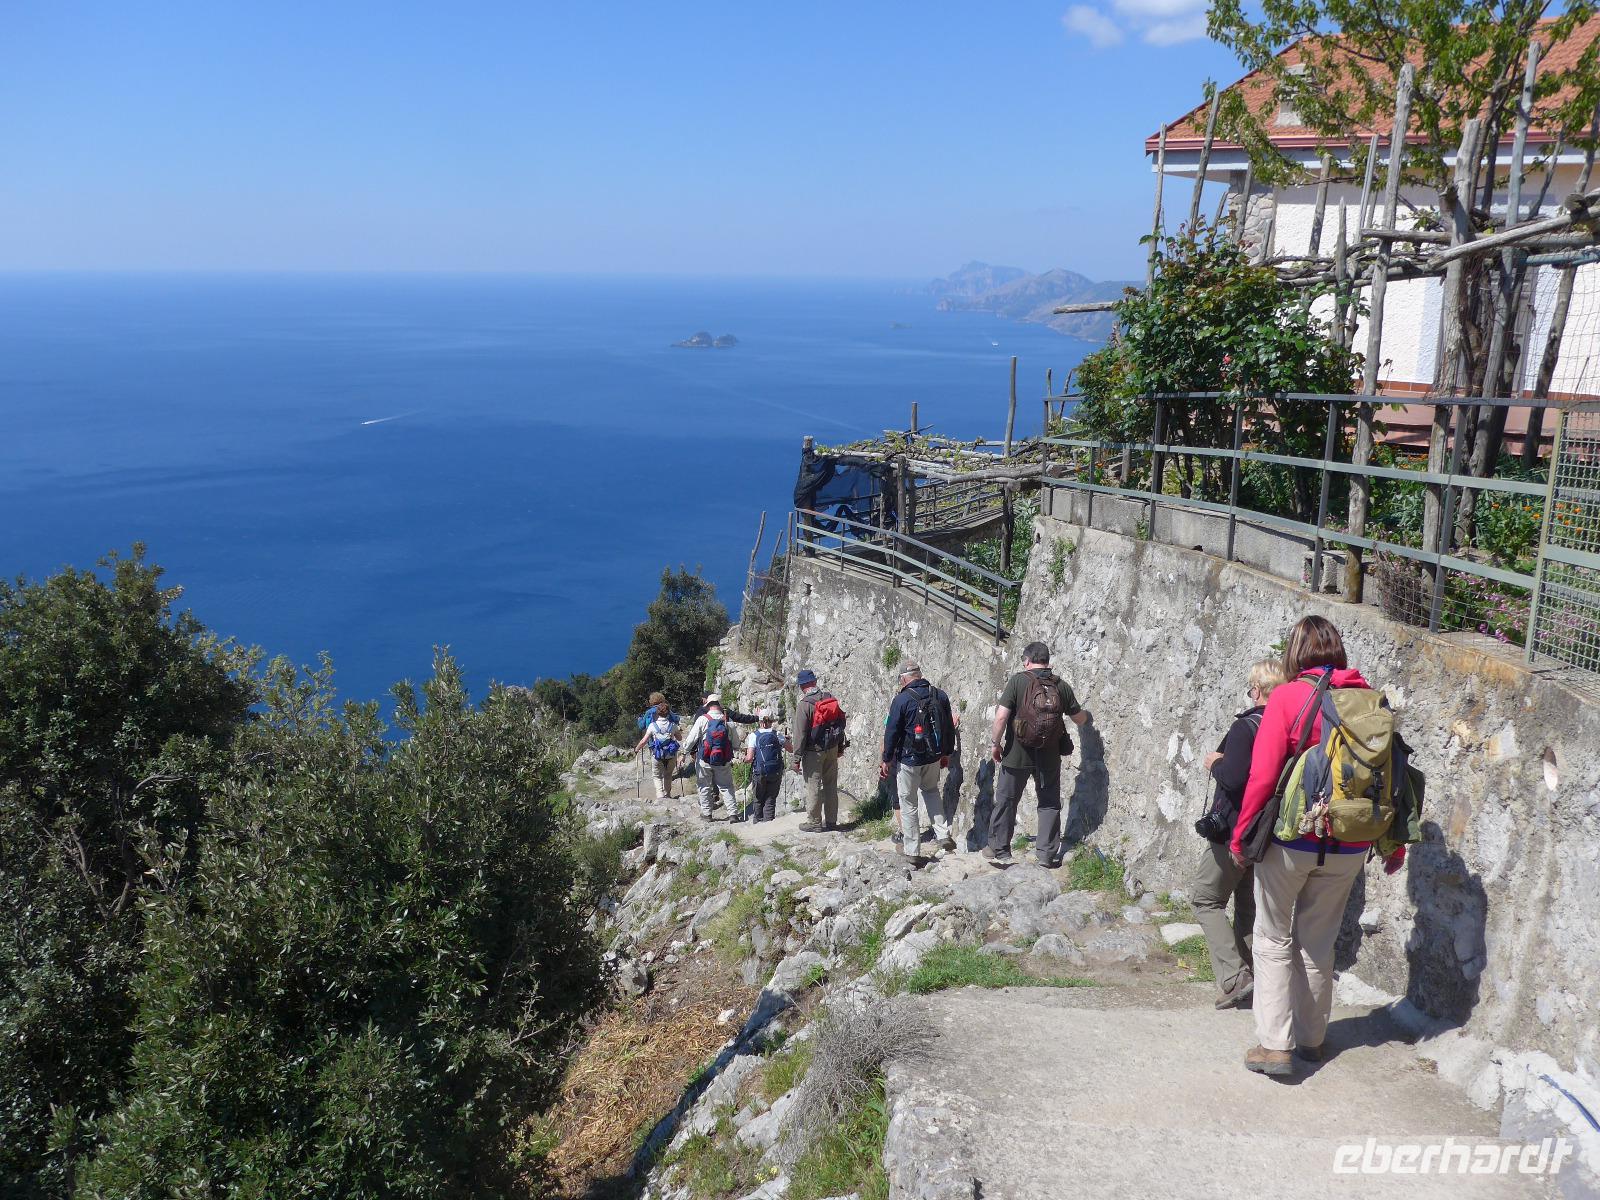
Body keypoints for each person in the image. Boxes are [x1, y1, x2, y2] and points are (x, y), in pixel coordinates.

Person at [1230, 616, 1406, 1077]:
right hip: (1349, 843)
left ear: (1296, 653)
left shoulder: (1288, 696)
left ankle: (1274, 1045)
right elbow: (1396, 775)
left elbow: (1263, 775)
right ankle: (1311, 1040)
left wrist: (1242, 834)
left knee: (1272, 937)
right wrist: (1394, 844)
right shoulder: (1369, 699)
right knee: (1318, 941)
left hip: (1293, 838)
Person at [1191, 658, 1284, 1009]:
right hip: (1268, 831)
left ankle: (1233, 977)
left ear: (1257, 690)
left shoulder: (1247, 728)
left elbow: (1234, 778)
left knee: (1205, 898)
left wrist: (1215, 761)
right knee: (1247, 902)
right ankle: (1254, 974)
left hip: (1236, 828)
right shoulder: (1287, 728)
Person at [988, 641, 1089, 869]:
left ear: (1026, 660)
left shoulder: (1018, 681)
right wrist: (1088, 718)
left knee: (1006, 800)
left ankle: (1000, 849)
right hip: (1049, 756)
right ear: (1047, 660)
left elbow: (1001, 718)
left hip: (1016, 755)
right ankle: (1046, 855)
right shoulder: (1060, 685)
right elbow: (1080, 719)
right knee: (1049, 804)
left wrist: (995, 744)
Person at [880, 661, 957, 866]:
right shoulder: (939, 695)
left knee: (908, 803)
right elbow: (948, 726)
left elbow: (892, 733)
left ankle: (912, 850)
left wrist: (886, 759)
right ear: (919, 675)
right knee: (931, 791)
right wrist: (946, 753)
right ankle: (942, 834)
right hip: (933, 756)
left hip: (909, 760)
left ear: (904, 679)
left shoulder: (901, 700)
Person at [792, 669, 846, 833]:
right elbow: (840, 723)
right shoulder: (829, 698)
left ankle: (815, 822)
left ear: (802, 687)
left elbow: (799, 734)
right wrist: (840, 747)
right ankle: (831, 821)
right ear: (815, 682)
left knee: (813, 786)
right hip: (832, 748)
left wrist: (796, 758)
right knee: (830, 785)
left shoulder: (805, 705)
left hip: (813, 752)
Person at [681, 695, 739, 821]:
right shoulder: (727, 721)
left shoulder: (703, 719)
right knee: (726, 786)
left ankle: (707, 814)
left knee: (704, 786)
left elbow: (691, 739)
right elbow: (736, 744)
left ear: (708, 705)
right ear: (720, 704)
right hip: (723, 759)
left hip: (704, 759)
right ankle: (733, 814)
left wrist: (684, 753)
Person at [743, 709, 791, 823]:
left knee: (758, 798)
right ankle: (768, 822)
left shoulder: (754, 736)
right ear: (772, 721)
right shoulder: (777, 734)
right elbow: (791, 749)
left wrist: (744, 759)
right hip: (775, 771)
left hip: (760, 772)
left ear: (759, 721)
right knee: (770, 798)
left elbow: (749, 758)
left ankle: (757, 822)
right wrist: (786, 741)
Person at [634, 700, 682, 800]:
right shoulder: (673, 725)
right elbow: (679, 738)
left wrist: (637, 748)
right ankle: (667, 795)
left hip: (657, 754)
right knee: (668, 775)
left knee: (656, 775)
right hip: (671, 754)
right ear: (668, 712)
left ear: (657, 712)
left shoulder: (652, 726)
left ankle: (660, 796)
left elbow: (644, 741)